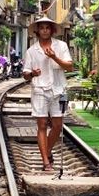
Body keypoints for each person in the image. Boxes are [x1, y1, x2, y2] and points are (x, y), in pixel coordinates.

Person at [23, 16, 74, 172]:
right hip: (39, 90)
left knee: (58, 126)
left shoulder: (61, 46)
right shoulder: (32, 50)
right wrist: (32, 73)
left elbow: (69, 67)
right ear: (38, 31)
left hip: (59, 90)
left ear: (51, 30)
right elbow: (25, 74)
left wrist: (54, 57)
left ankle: (47, 151)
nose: (44, 30)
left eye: (47, 27)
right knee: (42, 124)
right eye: (42, 27)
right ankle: (46, 161)